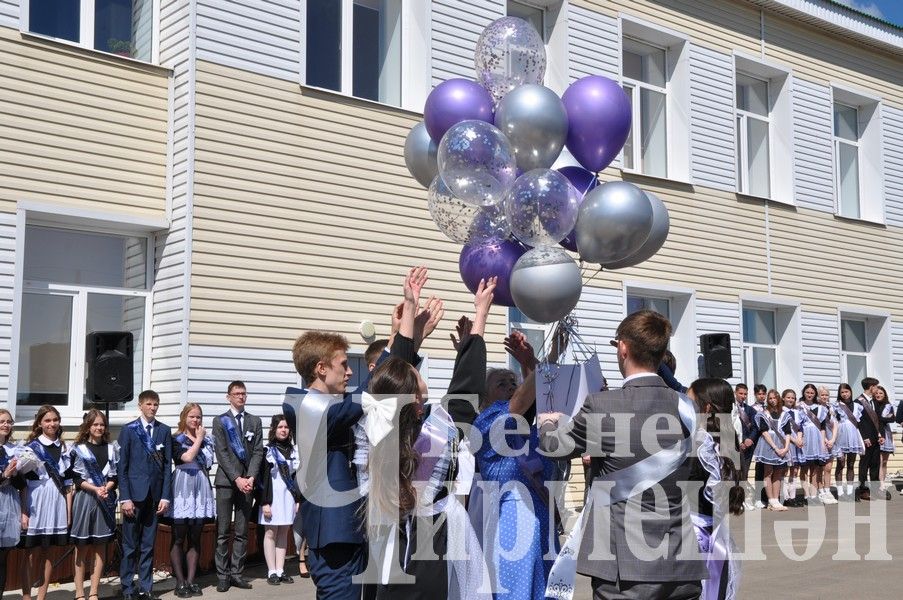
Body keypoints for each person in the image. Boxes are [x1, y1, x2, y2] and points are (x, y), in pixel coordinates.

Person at [287, 267, 434, 600]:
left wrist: (407, 335)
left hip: (357, 530)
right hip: (335, 537)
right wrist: (401, 331)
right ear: (320, 368)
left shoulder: (333, 406)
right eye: (343, 364)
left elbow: (388, 390)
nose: (350, 371)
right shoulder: (299, 404)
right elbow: (370, 395)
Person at [539, 310, 707, 599]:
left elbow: (555, 448)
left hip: (623, 566)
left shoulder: (603, 405)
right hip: (680, 561)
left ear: (623, 348)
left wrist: (547, 423)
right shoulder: (687, 408)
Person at [359, 277, 493, 599]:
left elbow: (391, 381)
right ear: (417, 400)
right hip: (430, 551)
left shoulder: (375, 430)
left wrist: (409, 316)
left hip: (388, 550)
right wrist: (481, 316)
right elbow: (466, 390)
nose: (419, 367)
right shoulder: (438, 433)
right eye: (417, 372)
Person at [472, 327, 558, 599]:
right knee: (515, 592)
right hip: (512, 524)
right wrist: (541, 362)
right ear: (484, 399)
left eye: (513, 382)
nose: (511, 388)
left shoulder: (529, 429)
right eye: (502, 384)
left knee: (546, 591)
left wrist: (529, 363)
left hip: (542, 521)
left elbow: (543, 394)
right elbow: (520, 402)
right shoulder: (485, 422)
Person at [687, 378, 745, 600]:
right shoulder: (726, 440)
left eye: (690, 402)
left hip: (695, 536)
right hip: (715, 533)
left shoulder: (700, 446)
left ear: (706, 407)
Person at [118, 390, 173, 600]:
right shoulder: (129, 430)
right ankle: (127, 588)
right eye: (149, 404)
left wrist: (165, 496)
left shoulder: (164, 430)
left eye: (156, 404)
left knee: (148, 545)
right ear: (140, 405)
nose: (152, 408)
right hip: (133, 496)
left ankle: (145, 587)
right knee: (130, 546)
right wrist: (125, 498)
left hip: (155, 496)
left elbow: (167, 466)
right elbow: (122, 466)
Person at [213, 380, 264, 591]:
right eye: (236, 393)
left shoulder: (254, 420)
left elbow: (259, 450)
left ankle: (236, 573)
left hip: (248, 483)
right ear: (229, 397)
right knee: (224, 531)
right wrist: (237, 478)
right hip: (227, 482)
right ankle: (223, 575)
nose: (241, 397)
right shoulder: (220, 421)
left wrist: (250, 476)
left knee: (242, 531)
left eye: (243, 393)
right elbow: (221, 452)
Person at [18, 405, 73, 600]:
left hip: (57, 502)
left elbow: (67, 485)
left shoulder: (65, 448)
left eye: (55, 420)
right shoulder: (30, 447)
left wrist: (68, 513)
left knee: (49, 552)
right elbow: (22, 483)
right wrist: (24, 511)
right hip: (36, 502)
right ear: (40, 423)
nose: (52, 424)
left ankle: (42, 595)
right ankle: (27, 596)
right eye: (47, 420)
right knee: (31, 553)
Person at [169, 403, 216, 597]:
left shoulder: (208, 440)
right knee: (179, 536)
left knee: (195, 537)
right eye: (192, 417)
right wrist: (199, 440)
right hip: (182, 484)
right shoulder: (175, 438)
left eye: (198, 417)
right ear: (184, 418)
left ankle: (190, 581)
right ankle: (179, 582)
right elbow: (187, 457)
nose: (195, 420)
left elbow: (208, 462)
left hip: (200, 483)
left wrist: (202, 440)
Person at [71, 410, 118, 600]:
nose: (99, 428)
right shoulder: (79, 448)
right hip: (85, 497)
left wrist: (105, 487)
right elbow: (75, 477)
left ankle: (94, 591)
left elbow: (114, 476)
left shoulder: (111, 448)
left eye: (102, 424)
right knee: (81, 546)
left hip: (104, 497)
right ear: (88, 426)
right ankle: (80, 592)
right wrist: (95, 488)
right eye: (95, 424)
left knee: (100, 545)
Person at [259, 414, 301, 585]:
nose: (284, 430)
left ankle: (281, 569)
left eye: (286, 427)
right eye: (280, 427)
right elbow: (263, 479)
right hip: (272, 497)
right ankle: (271, 571)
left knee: (283, 532)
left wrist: (298, 499)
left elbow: (297, 477)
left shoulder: (294, 450)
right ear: (274, 429)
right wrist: (264, 503)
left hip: (288, 497)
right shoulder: (268, 451)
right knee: (270, 533)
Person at [752, 390, 792, 511]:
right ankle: (771, 500)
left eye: (774, 398)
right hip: (768, 445)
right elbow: (764, 432)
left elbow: (788, 432)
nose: (772, 400)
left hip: (782, 444)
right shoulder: (763, 414)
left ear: (779, 399)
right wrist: (775, 447)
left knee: (778, 473)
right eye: (770, 398)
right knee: (768, 473)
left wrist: (786, 448)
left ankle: (776, 499)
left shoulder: (785, 414)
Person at [0, 408, 20, 597]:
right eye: (2, 422)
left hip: (9, 501)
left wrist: (16, 473)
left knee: (3, 556)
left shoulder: (14, 449)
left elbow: (21, 483)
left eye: (9, 421)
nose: (6, 425)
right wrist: (4, 474)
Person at [797, 384, 828, 505]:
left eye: (812, 393)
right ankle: (806, 495)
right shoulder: (799, 407)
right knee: (804, 468)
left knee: (815, 469)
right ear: (804, 393)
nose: (809, 395)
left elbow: (823, 427)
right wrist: (799, 439)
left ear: (815, 394)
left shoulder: (820, 408)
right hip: (805, 438)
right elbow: (797, 426)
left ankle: (814, 495)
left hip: (817, 439)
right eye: (807, 392)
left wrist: (823, 442)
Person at [833, 383, 864, 501]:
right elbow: (832, 422)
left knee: (851, 464)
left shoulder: (857, 406)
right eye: (842, 392)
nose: (844, 394)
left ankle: (850, 492)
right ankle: (840, 492)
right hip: (840, 437)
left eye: (846, 391)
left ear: (850, 392)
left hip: (853, 437)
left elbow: (860, 423)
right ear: (839, 394)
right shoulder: (836, 406)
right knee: (840, 464)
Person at [731, 383, 759, 511]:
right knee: (732, 475)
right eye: (741, 393)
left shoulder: (750, 410)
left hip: (746, 448)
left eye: (745, 394)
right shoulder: (729, 408)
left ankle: (743, 500)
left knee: (744, 475)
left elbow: (755, 427)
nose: (743, 396)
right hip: (732, 446)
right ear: (735, 393)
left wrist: (750, 439)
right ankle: (733, 501)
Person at [854, 377, 882, 501]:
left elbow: (877, 420)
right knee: (864, 465)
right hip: (866, 438)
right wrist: (864, 437)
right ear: (871, 387)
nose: (877, 389)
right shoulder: (858, 402)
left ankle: (875, 490)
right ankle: (863, 490)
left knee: (875, 464)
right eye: (876, 387)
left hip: (876, 437)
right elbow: (858, 422)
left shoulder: (874, 401)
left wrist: (880, 435)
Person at [817, 386, 840, 503]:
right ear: (818, 396)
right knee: (820, 467)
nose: (825, 397)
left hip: (831, 438)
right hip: (820, 438)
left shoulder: (831, 407)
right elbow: (818, 425)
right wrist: (825, 439)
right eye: (822, 395)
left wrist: (832, 439)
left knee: (829, 467)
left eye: (826, 395)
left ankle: (827, 489)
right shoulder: (816, 408)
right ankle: (820, 491)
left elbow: (835, 424)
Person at [781, 389, 804, 506]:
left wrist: (799, 439)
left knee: (795, 470)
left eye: (793, 398)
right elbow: (783, 430)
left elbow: (800, 428)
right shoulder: (781, 411)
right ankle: (785, 497)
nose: (790, 400)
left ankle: (793, 496)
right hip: (787, 442)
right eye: (788, 397)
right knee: (785, 470)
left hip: (797, 444)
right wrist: (794, 440)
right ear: (783, 398)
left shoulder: (797, 412)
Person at [874, 385, 895, 500]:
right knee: (879, 461)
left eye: (881, 393)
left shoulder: (888, 406)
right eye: (876, 393)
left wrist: (880, 418)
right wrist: (883, 418)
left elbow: (892, 418)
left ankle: (883, 483)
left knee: (885, 461)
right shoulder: (872, 405)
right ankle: (879, 484)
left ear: (884, 395)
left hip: (886, 434)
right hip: (876, 433)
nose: (878, 395)